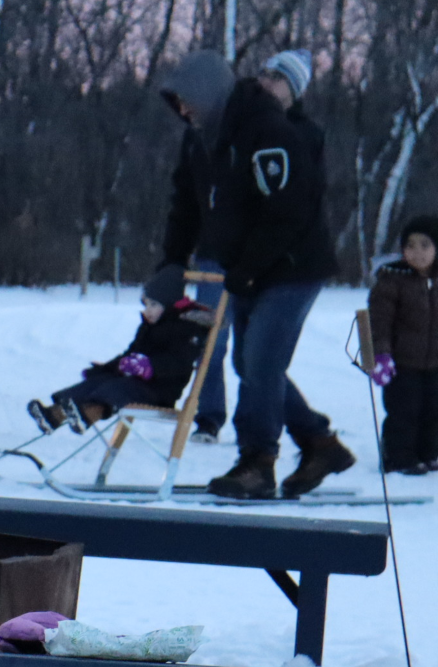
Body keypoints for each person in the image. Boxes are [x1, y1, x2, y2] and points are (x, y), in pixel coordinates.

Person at [203, 49, 355, 500]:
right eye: (265, 73)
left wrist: (249, 265)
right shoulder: (244, 126)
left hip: (293, 267)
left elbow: (288, 211)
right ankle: (319, 444)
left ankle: (258, 460)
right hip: (255, 265)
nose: (267, 82)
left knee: (263, 362)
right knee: (247, 362)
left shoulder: (295, 134)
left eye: (279, 78)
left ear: (294, 91)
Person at [28, 264, 213, 434]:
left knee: (117, 388)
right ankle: (53, 415)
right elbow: (130, 354)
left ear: (171, 304)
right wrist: (106, 368)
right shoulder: (149, 326)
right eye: (146, 304)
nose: (148, 310)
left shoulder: (188, 328)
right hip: (137, 382)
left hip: (160, 390)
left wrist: (150, 366)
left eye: (154, 305)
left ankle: (88, 414)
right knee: (99, 381)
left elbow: (180, 362)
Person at [159, 49, 237, 441]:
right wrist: (172, 260)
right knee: (210, 340)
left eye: (187, 101)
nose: (183, 110)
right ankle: (210, 416)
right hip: (212, 257)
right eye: (178, 104)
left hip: (255, 256)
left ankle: (273, 426)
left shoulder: (246, 131)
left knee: (256, 353)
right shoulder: (194, 140)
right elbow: (185, 204)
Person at [366, 215, 438, 473]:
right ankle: (398, 456)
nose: (417, 252)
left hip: (435, 363)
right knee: (405, 410)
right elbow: (379, 322)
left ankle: (429, 452)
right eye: (410, 245)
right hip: (401, 362)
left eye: (425, 245)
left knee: (433, 410)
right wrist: (381, 354)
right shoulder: (392, 280)